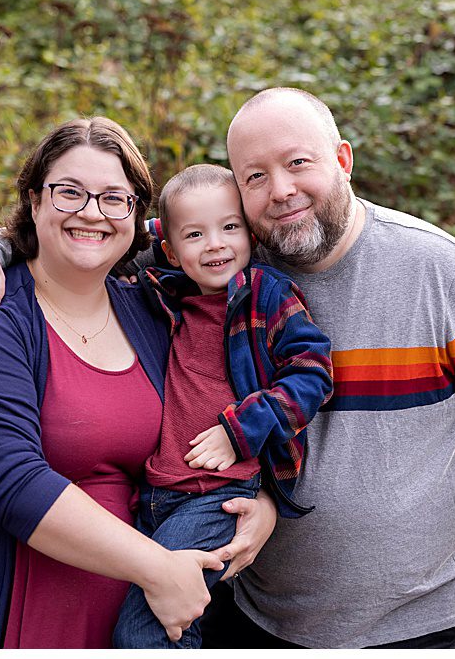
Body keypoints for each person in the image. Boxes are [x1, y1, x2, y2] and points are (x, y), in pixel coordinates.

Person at [0, 88, 455, 648]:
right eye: (256, 175)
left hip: (409, 622)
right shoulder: (224, 264)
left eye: (299, 164)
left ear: (343, 160)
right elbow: (92, 228)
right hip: (254, 609)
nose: (281, 190)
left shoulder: (440, 272)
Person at [0, 118, 221, 648]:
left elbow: (202, 424)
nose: (92, 213)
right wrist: (158, 568)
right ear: (33, 200)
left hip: (138, 624)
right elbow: (9, 483)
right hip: (11, 621)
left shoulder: (150, 308)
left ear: (137, 213)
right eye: (69, 192)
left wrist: (259, 505)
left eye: (115, 198)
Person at [112, 164, 332, 649]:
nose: (215, 244)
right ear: (170, 249)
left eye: (230, 227)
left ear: (251, 232)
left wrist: (240, 431)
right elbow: (111, 235)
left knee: (142, 628)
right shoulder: (166, 292)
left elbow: (313, 372)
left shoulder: (268, 295)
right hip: (154, 493)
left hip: (219, 494)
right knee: (177, 625)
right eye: (196, 235)